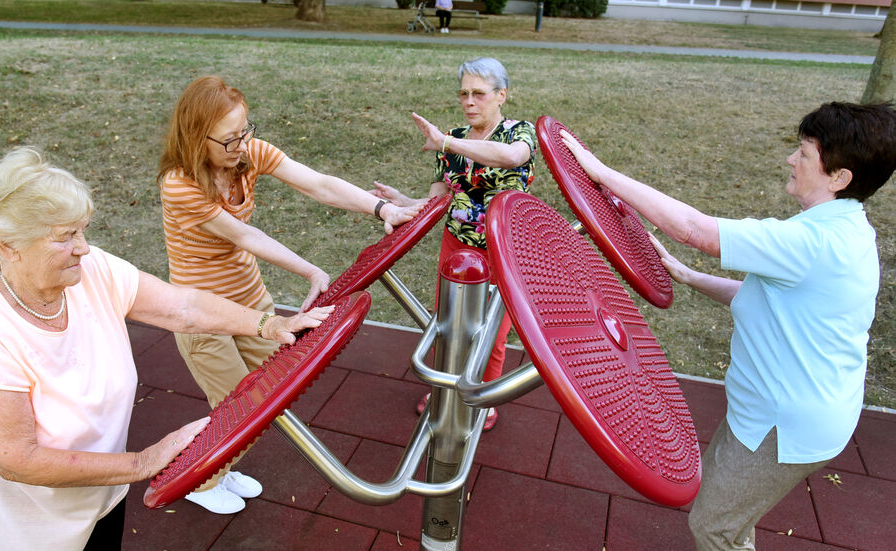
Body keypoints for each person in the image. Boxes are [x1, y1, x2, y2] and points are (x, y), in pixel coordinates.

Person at [0, 147, 332, 551]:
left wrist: (271, 324)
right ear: (8, 244)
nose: (83, 247)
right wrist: (143, 462)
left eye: (82, 229)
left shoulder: (90, 270)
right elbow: (18, 458)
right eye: (65, 237)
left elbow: (182, 307)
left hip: (101, 490)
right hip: (26, 524)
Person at [559, 102, 896, 550]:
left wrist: (599, 172)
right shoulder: (846, 228)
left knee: (713, 527)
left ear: (839, 177)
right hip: (780, 409)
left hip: (785, 424)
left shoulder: (813, 241)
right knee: (729, 513)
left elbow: (692, 229)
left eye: (803, 153)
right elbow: (770, 302)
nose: (790, 160)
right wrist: (689, 276)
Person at [158, 75, 420, 513]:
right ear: (194, 136)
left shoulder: (244, 154)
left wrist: (382, 208)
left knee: (265, 401)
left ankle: (218, 465)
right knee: (234, 410)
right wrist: (310, 270)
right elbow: (246, 236)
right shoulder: (179, 184)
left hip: (251, 300)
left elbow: (317, 183)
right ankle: (202, 480)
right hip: (203, 314)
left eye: (246, 131)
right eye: (229, 139)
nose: (241, 144)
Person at [371, 57, 536, 431]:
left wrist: (446, 141)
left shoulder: (517, 133)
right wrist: (401, 201)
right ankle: (447, 391)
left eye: (479, 93)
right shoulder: (454, 137)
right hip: (457, 247)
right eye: (463, 93)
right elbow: (438, 200)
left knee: (492, 332)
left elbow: (512, 158)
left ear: (501, 95)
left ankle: (482, 398)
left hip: (504, 250)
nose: (469, 101)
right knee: (448, 323)